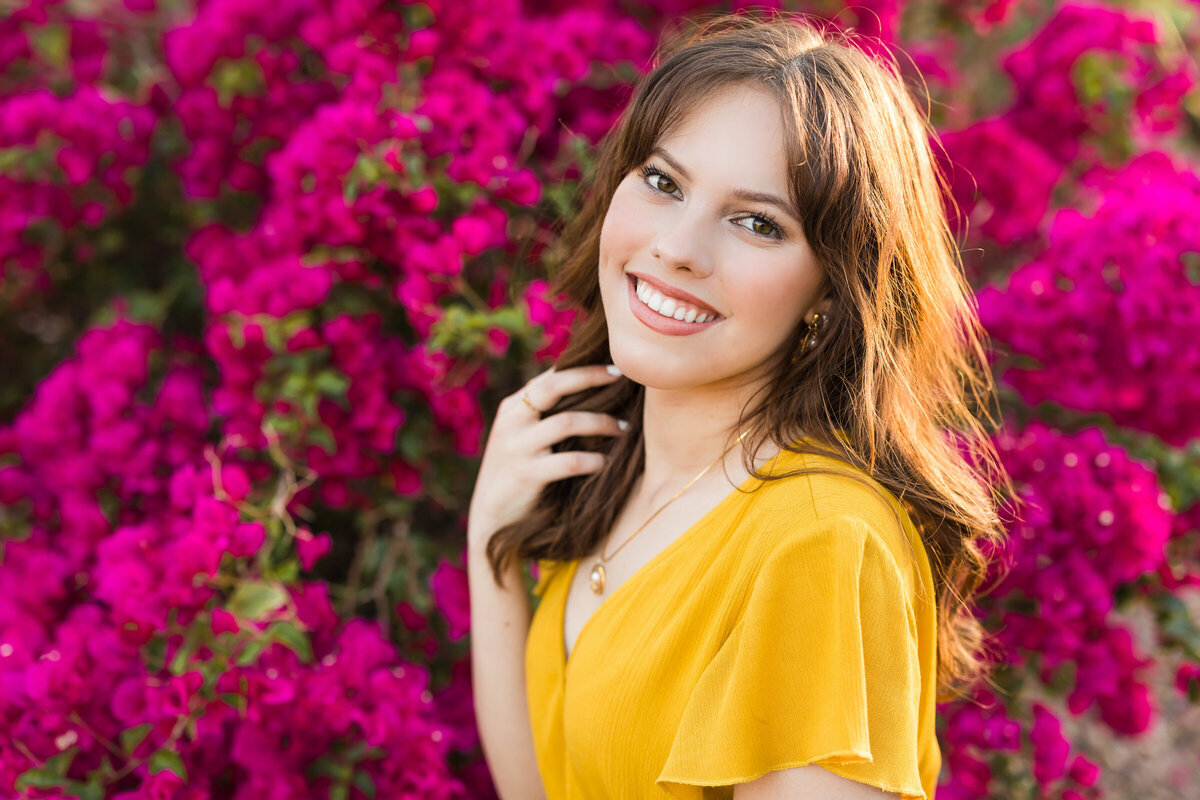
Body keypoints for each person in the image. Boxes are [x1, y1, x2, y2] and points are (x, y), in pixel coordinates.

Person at [467, 10, 1012, 800]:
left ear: (831, 288)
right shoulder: (624, 472)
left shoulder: (822, 544)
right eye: (663, 181)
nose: (679, 246)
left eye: (758, 223)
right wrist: (493, 541)